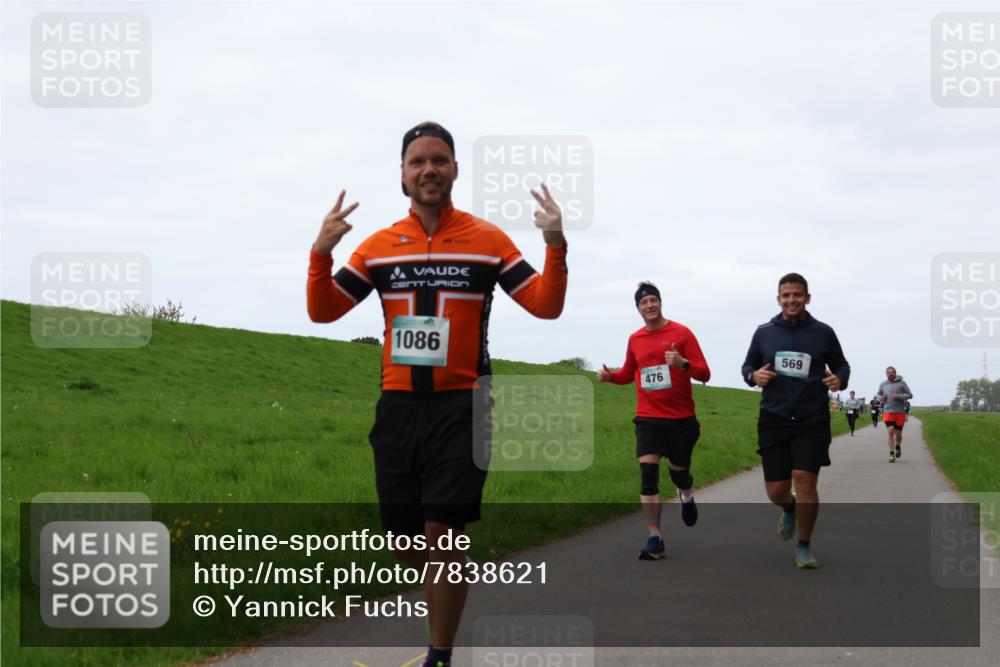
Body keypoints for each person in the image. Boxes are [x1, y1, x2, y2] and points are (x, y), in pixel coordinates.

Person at [307, 121, 568, 667]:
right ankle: (438, 610)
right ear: (402, 176)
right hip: (398, 406)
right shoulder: (379, 247)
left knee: (442, 534)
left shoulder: (487, 240)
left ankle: (439, 656)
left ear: (454, 170)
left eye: (440, 160)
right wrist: (321, 254)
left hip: (464, 406)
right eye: (417, 161)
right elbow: (325, 310)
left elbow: (545, 305)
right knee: (408, 545)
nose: (428, 169)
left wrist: (555, 245)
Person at [741, 273, 850, 569]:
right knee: (776, 490)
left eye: (797, 295)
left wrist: (839, 378)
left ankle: (804, 546)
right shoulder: (764, 332)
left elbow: (841, 364)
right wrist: (753, 376)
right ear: (779, 299)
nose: (792, 300)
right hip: (773, 418)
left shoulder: (823, 332)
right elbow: (748, 365)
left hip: (811, 418)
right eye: (786, 295)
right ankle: (788, 508)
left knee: (804, 481)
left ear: (807, 297)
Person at [597, 282, 711, 560]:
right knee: (648, 477)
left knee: (678, 472)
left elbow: (704, 373)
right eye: (643, 302)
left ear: (660, 303)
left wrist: (682, 363)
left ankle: (685, 491)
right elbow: (627, 373)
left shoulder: (681, 333)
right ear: (638, 308)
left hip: (681, 418)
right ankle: (654, 537)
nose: (649, 306)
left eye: (653, 301)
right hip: (648, 417)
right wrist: (611, 376)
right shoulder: (635, 339)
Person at [877, 367, 913, 463]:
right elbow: (877, 395)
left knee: (898, 434)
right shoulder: (883, 384)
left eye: (892, 372)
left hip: (900, 412)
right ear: (886, 374)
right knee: (890, 431)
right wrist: (880, 398)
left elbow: (910, 395)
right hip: (888, 411)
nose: (890, 374)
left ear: (895, 373)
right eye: (888, 372)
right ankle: (891, 454)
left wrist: (899, 396)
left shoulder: (901, 383)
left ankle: (898, 446)